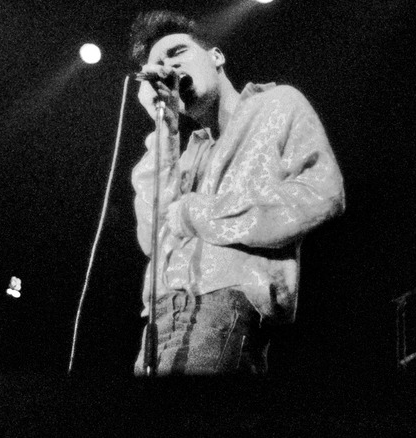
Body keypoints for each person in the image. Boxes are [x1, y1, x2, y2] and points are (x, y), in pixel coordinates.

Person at [129, 11, 345, 376]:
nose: (166, 67)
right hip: (160, 317)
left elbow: (322, 193)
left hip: (226, 300)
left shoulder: (277, 104)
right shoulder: (188, 151)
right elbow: (153, 235)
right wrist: (164, 130)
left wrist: (198, 213)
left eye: (176, 52)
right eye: (157, 64)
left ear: (215, 57)